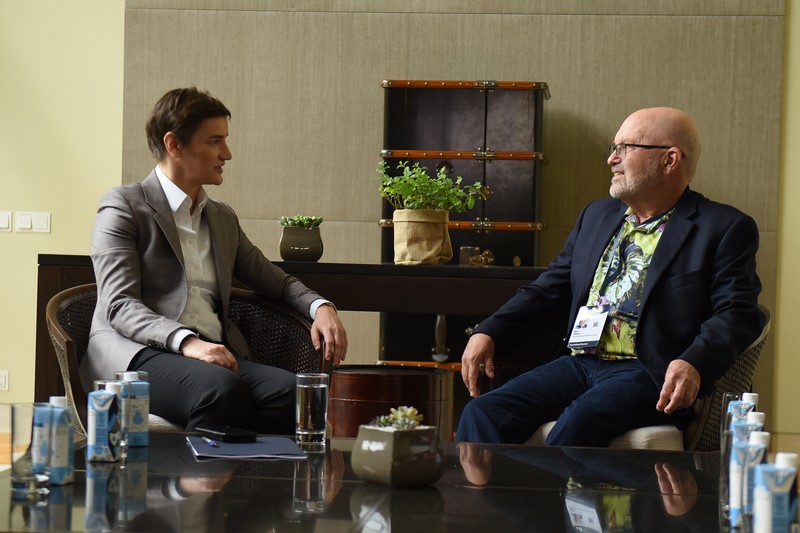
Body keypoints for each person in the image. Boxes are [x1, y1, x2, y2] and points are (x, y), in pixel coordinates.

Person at [457, 107, 763, 446]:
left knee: (579, 422)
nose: (612, 159)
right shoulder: (596, 216)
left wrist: (694, 363)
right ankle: (492, 485)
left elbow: (737, 312)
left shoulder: (723, 228)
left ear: (670, 160)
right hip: (578, 363)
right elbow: (548, 289)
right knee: (483, 412)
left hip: (649, 373)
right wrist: (489, 330)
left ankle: (543, 485)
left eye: (625, 148)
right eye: (613, 148)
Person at [82, 87, 348, 434]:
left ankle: (245, 470)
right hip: (135, 352)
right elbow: (120, 305)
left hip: (209, 354)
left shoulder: (221, 218)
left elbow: (275, 281)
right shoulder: (123, 206)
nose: (227, 153)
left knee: (289, 394)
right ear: (174, 145)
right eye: (214, 141)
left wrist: (321, 307)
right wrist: (187, 342)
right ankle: (191, 471)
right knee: (220, 390)